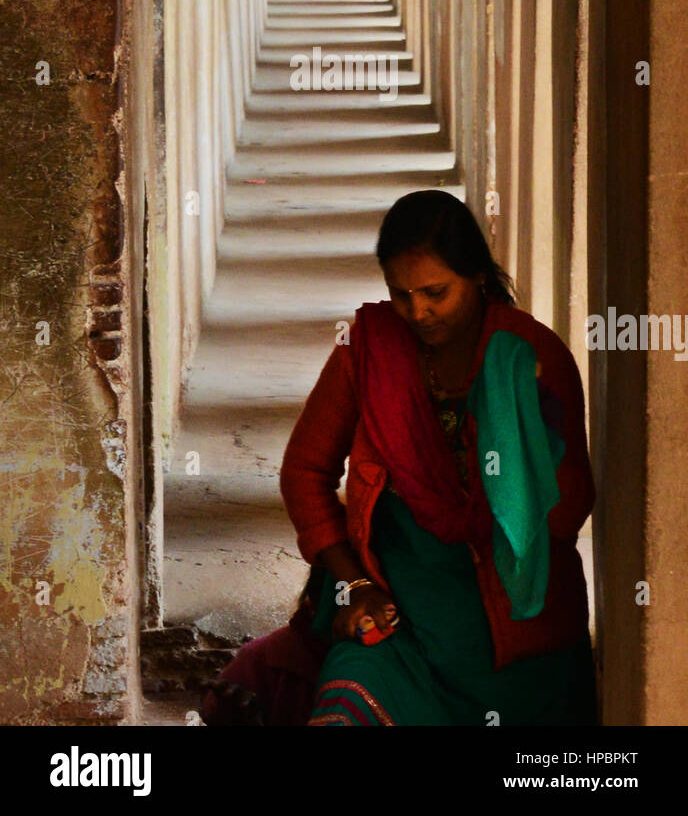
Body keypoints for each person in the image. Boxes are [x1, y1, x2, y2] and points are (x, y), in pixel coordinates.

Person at [202, 189, 597, 727]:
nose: (417, 311)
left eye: (436, 292)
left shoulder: (532, 359)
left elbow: (568, 508)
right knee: (347, 707)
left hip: (511, 615)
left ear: (477, 275)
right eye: (400, 293)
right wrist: (354, 583)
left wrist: (522, 436)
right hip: (396, 603)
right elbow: (304, 472)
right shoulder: (368, 350)